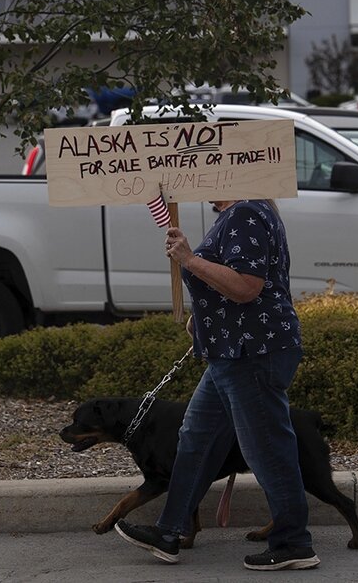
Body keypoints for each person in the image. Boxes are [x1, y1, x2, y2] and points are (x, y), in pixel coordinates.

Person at [114, 198, 319, 571]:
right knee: (195, 440)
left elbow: (246, 287)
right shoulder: (241, 214)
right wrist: (203, 318)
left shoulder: (246, 212)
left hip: (251, 352)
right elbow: (232, 287)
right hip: (230, 352)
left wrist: (189, 259)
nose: (201, 187)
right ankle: (169, 532)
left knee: (266, 449)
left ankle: (294, 542)